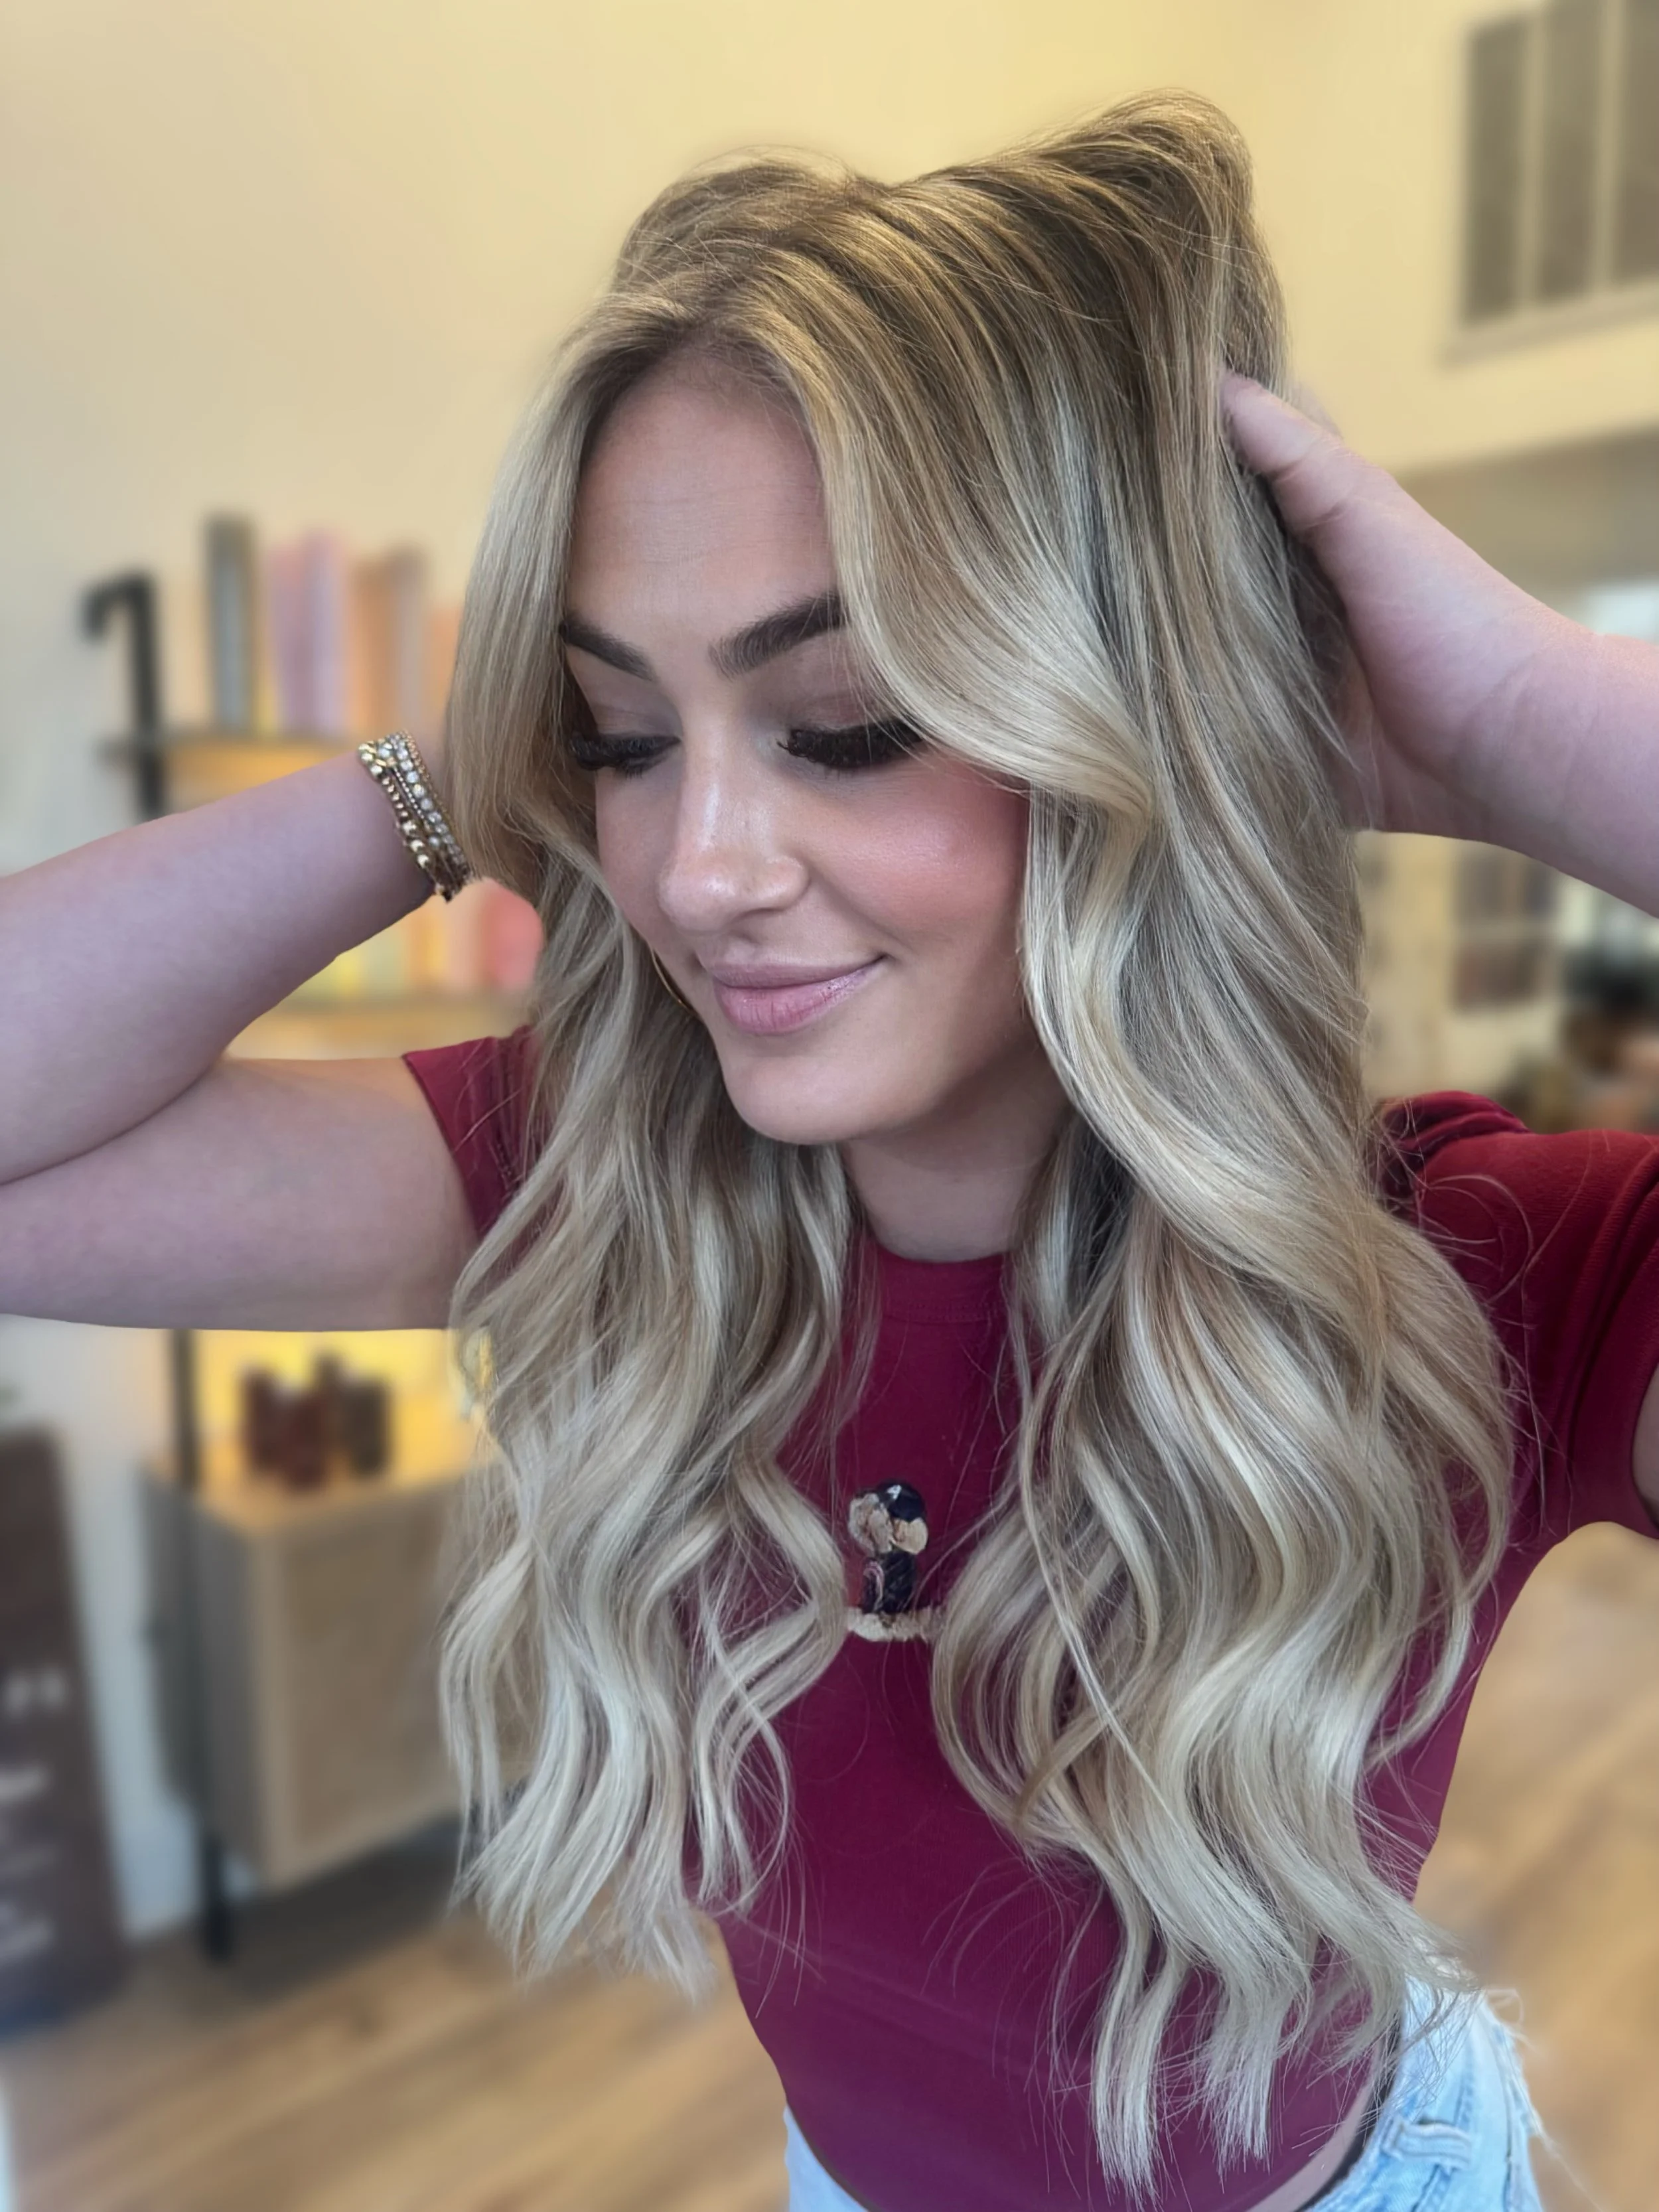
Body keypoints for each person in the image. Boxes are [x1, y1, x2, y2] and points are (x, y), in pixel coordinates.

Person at [3, 90, 1656, 2212]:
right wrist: (448, 777)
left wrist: (1519, 726)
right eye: (620, 733)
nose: (694, 869)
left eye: (849, 718)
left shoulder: (1482, 1265)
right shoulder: (598, 1189)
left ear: (1111, 719)